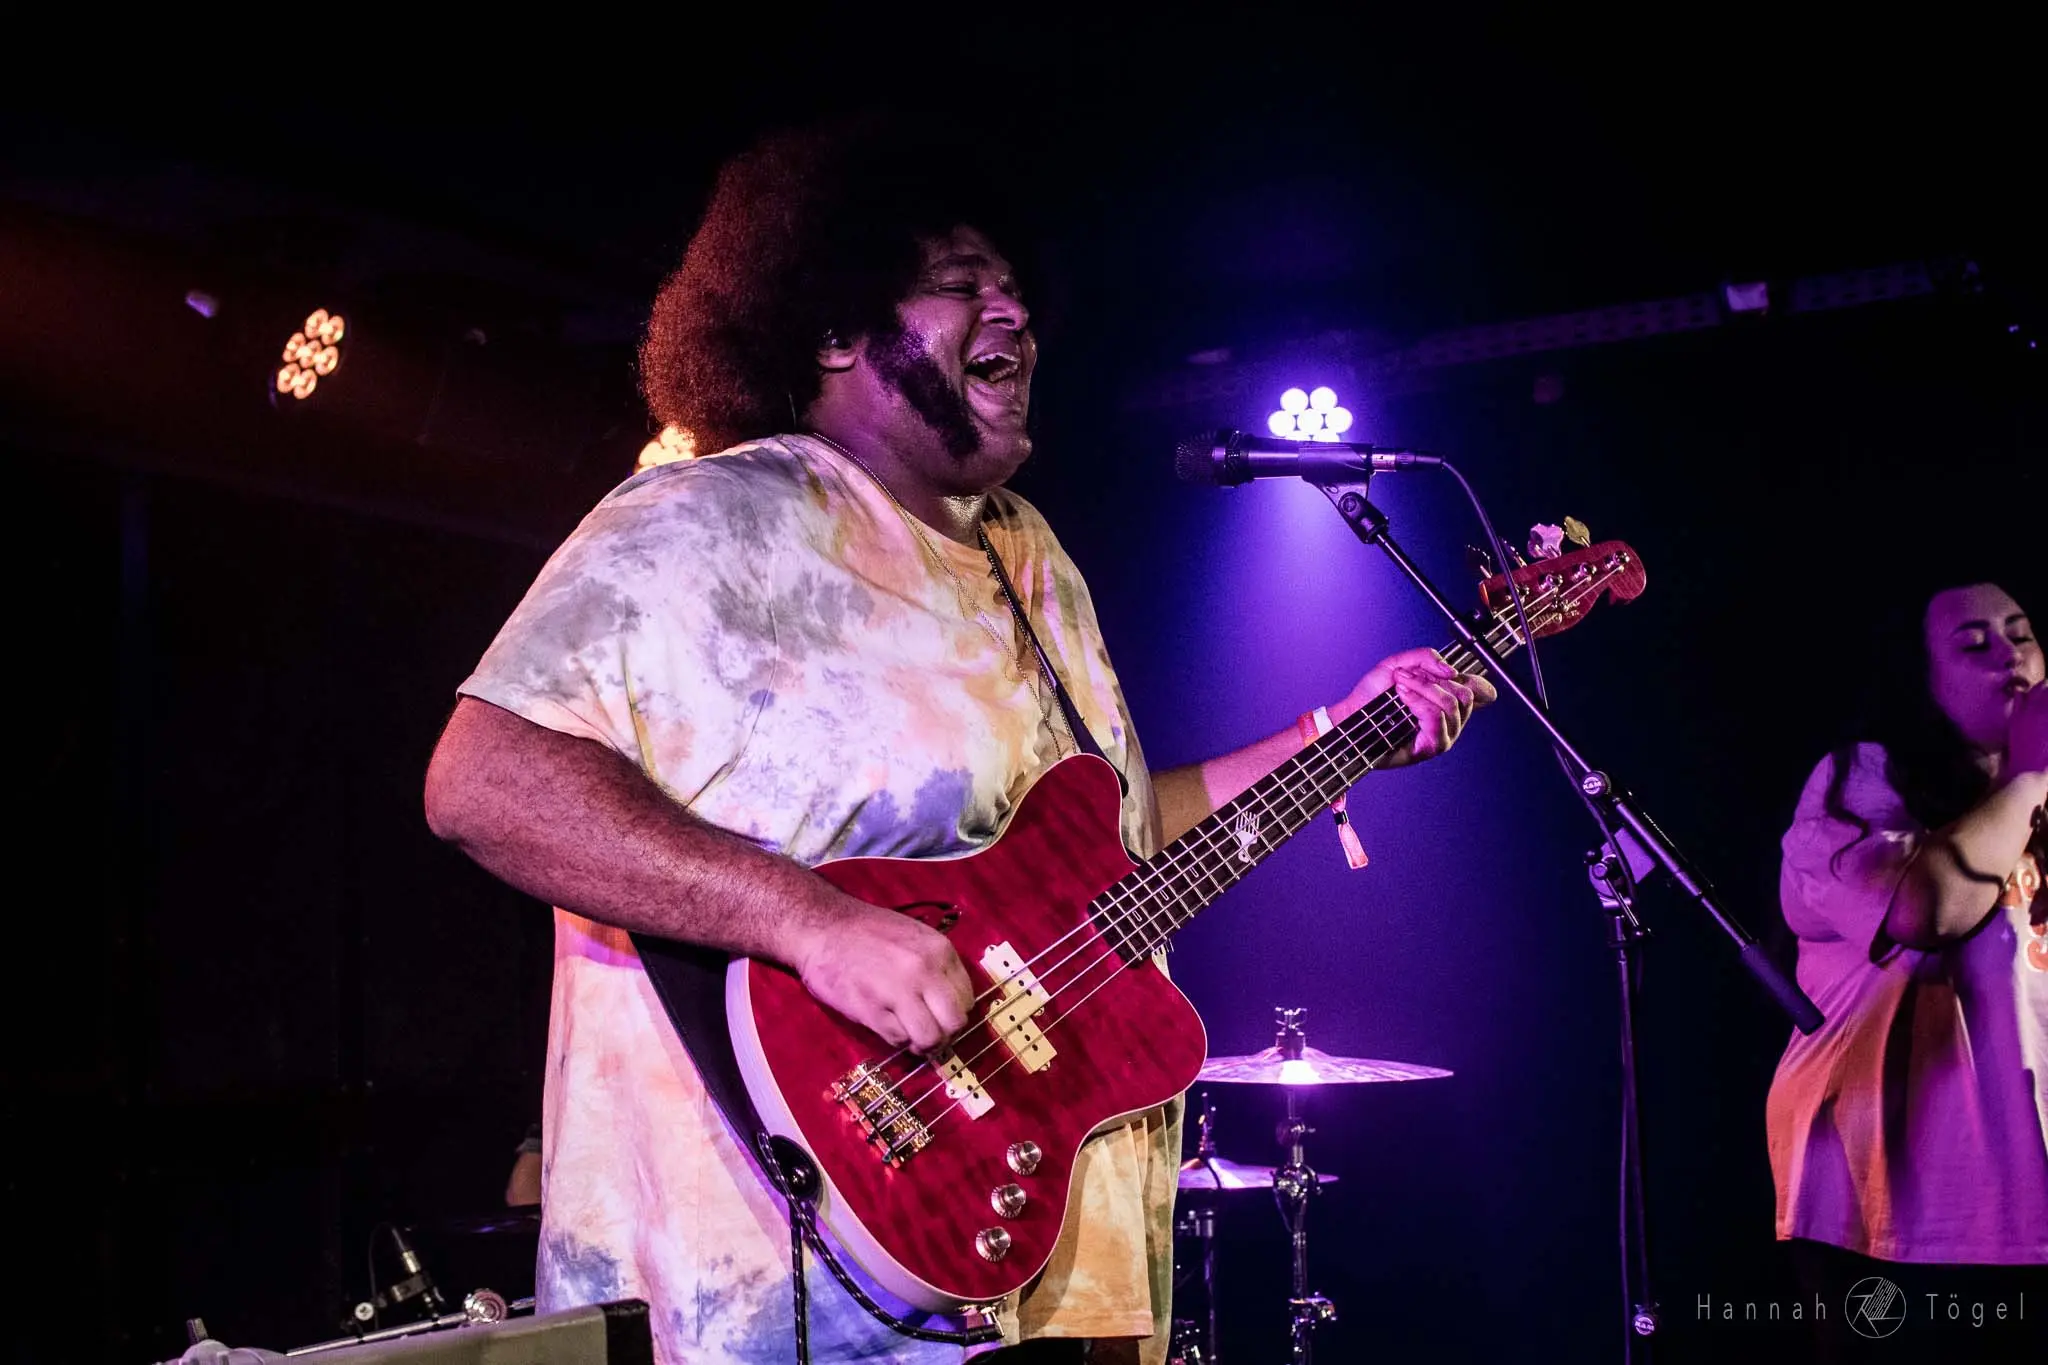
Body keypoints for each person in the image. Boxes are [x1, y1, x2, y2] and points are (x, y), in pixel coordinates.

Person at [422, 123, 1494, 1365]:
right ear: (832, 331)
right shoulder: (713, 518)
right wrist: (806, 920)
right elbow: (483, 779)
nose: (1014, 309)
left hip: (1021, 1267)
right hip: (778, 1278)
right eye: (961, 282)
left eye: (1014, 285)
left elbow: (1113, 843)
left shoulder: (1030, 557)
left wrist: (1339, 735)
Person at [1766, 577, 2047, 1349]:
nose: (2010, 656)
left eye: (2022, 634)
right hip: (1895, 1216)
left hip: (2028, 1201)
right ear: (1920, 680)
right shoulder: (1860, 782)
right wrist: (2030, 772)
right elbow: (1927, 910)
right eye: (1974, 644)